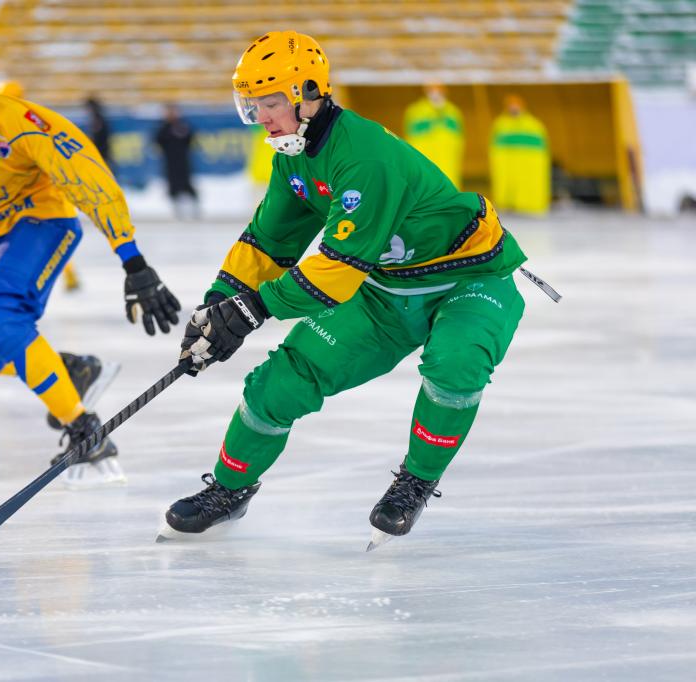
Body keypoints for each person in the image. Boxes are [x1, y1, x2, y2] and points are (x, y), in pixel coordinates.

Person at [166, 31, 529, 548]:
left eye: (271, 103)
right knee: (281, 380)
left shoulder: (364, 158)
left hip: (469, 278)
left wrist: (253, 309)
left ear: (309, 94)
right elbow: (268, 241)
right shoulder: (293, 156)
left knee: (455, 364)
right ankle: (229, 489)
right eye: (252, 105)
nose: (261, 117)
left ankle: (416, 480)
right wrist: (218, 305)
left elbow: (337, 269)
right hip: (387, 286)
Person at [0, 23, 181, 488]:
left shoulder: (15, 118)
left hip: (41, 218)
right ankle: (70, 370)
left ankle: (85, 429)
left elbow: (87, 180)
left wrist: (133, 261)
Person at [0, 79, 82, 292]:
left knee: (26, 241)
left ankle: (18, 285)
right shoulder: (34, 120)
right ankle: (65, 274)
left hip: (29, 194)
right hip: (33, 193)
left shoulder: (10, 125)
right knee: (45, 241)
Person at [489, 94, 551, 215]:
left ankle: (527, 205)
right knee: (507, 185)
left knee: (527, 184)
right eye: (511, 105)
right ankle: (508, 204)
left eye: (516, 105)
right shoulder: (501, 124)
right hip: (508, 163)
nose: (514, 108)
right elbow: (494, 147)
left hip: (528, 164)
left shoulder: (533, 125)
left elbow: (541, 148)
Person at [403, 83, 465, 189]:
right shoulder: (416, 111)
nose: (436, 91)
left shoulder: (453, 111)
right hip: (425, 161)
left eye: (439, 86)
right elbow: (412, 134)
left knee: (448, 185)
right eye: (431, 87)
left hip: (447, 162)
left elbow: (458, 137)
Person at [154, 103, 200, 219]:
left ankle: (194, 208)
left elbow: (190, 138)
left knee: (187, 184)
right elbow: (158, 141)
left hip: (183, 161)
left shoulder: (182, 125)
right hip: (170, 162)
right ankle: (177, 210)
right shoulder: (163, 127)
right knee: (173, 186)